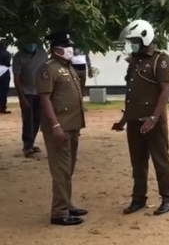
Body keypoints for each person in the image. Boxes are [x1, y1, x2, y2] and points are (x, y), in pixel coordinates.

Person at [112, 19, 169, 216]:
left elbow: (165, 91)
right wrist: (124, 119)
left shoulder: (160, 60)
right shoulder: (135, 60)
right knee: (137, 163)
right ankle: (138, 199)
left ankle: (168, 198)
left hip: (153, 121)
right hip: (134, 120)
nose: (132, 44)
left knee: (161, 160)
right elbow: (131, 92)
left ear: (145, 38)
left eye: (134, 40)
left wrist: (154, 118)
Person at [37, 31, 87, 226]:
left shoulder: (69, 68)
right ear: (55, 48)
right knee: (61, 170)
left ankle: (66, 204)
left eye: (70, 46)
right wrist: (55, 125)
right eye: (66, 46)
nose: (70, 49)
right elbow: (44, 98)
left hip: (72, 126)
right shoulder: (48, 69)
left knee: (68, 169)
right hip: (59, 128)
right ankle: (59, 212)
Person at [13, 39, 47, 157]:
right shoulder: (18, 57)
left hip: (40, 92)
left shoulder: (42, 54)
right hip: (27, 92)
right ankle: (27, 146)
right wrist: (21, 98)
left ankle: (31, 143)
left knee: (37, 119)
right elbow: (16, 78)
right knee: (28, 119)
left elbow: (47, 70)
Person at [0, 39, 11, 114]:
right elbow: (8, 63)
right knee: (4, 90)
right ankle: (2, 107)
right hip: (4, 71)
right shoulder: (7, 54)